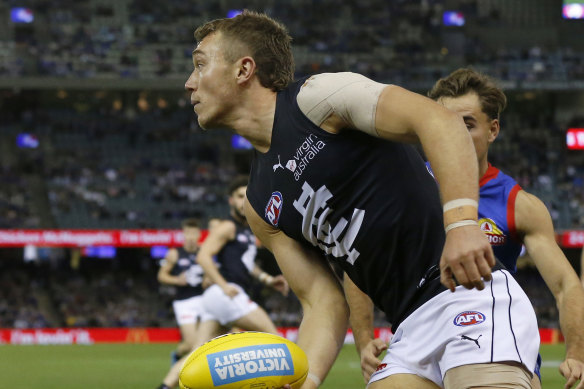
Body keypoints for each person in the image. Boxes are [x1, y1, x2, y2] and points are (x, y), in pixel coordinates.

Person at [185, 11, 541, 388]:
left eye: (199, 65)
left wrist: (463, 224)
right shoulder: (258, 205)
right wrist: (305, 380)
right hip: (408, 327)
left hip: (467, 293)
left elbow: (439, 121)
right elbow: (323, 302)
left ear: (244, 70)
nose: (190, 84)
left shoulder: (318, 100)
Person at [345, 68, 584, 389]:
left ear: (493, 129)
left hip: (495, 336)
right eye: (444, 122)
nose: (453, 133)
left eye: (467, 124)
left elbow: (565, 284)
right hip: (419, 334)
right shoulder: (403, 191)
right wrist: (363, 338)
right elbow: (358, 262)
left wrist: (577, 352)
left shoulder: (519, 205)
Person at [161, 177, 290, 389]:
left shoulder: (248, 231)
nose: (243, 201)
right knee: (275, 341)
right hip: (226, 294)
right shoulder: (228, 226)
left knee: (196, 355)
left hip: (218, 299)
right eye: (239, 196)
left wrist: (268, 279)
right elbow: (203, 256)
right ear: (231, 200)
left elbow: (248, 265)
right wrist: (223, 285)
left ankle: (165, 386)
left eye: (247, 196)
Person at [156, 218, 221, 389]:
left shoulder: (204, 253)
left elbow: (212, 272)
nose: (191, 237)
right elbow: (162, 276)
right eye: (188, 233)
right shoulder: (174, 254)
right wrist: (176, 280)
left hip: (203, 300)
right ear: (183, 234)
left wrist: (209, 278)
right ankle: (179, 357)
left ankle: (188, 370)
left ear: (199, 234)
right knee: (193, 343)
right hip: (184, 302)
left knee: (202, 343)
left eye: (194, 233)